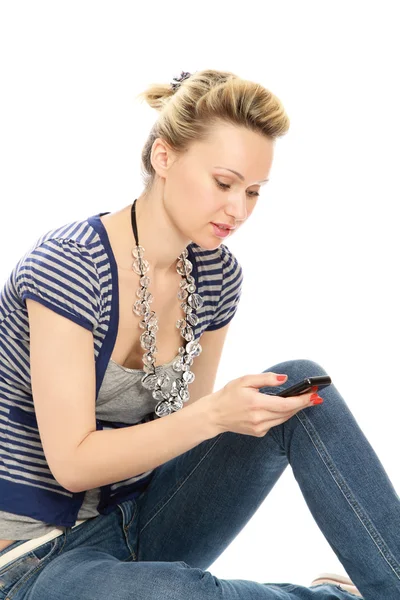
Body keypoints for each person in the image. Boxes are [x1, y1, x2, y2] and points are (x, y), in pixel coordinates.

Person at [0, 68, 398, 600]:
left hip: (140, 523)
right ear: (164, 158)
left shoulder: (216, 275)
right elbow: (73, 465)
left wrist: (236, 419)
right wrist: (213, 415)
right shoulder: (71, 266)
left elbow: (180, 441)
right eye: (224, 183)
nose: (238, 210)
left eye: (253, 191)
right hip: (29, 559)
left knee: (298, 386)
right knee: (175, 593)